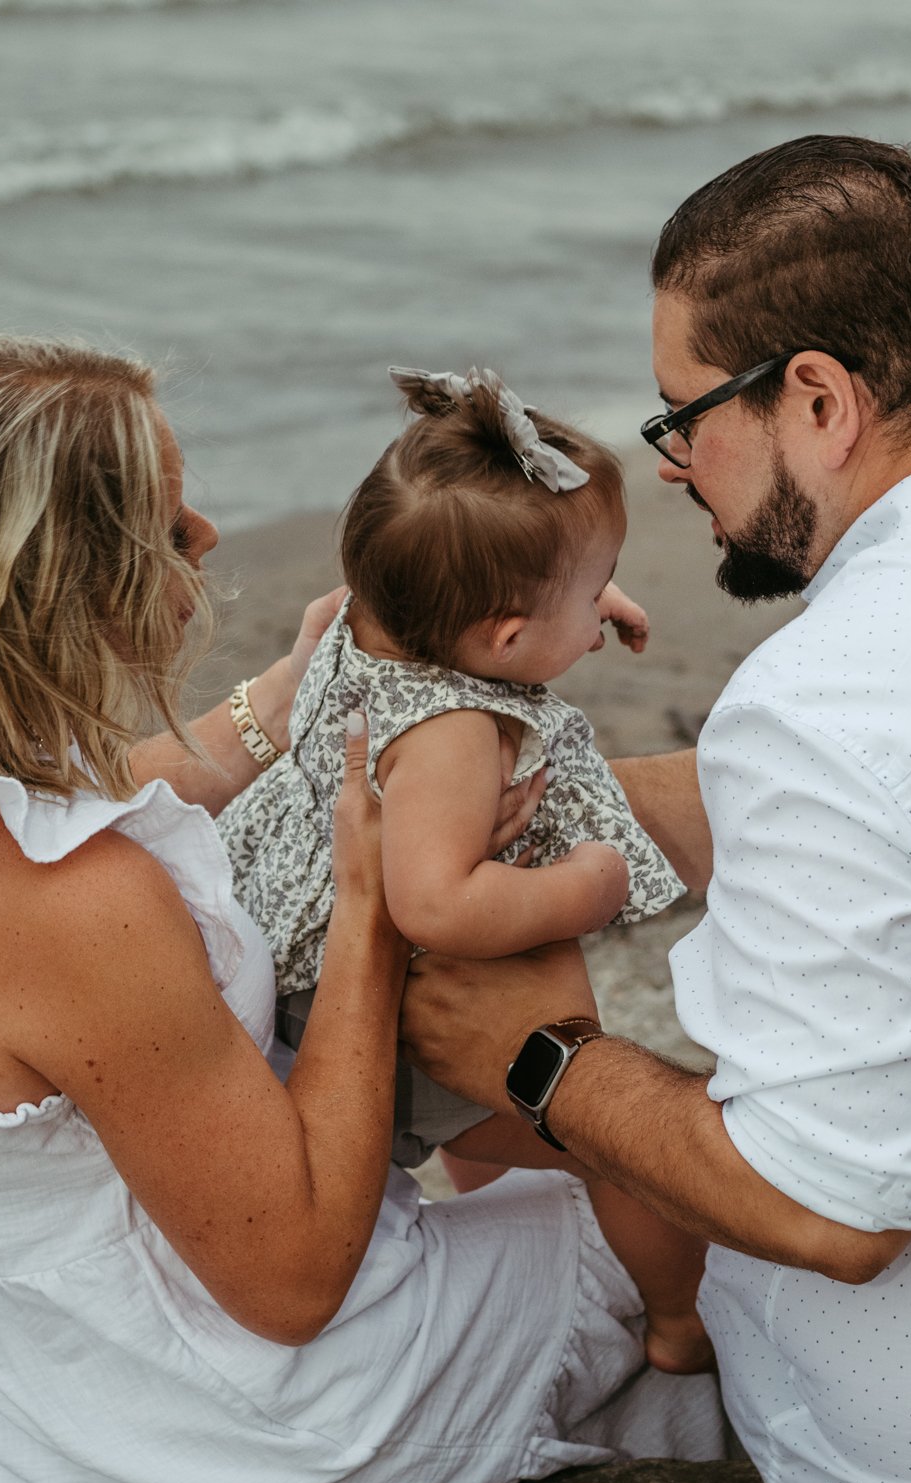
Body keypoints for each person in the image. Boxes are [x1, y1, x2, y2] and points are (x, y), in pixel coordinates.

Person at [0, 336, 727, 1483]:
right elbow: (296, 1280)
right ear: (55, 580)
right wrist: (369, 912)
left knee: (541, 1104)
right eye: (166, 531)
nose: (207, 539)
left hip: (34, 1380)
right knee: (676, 1198)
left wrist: (285, 696)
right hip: (233, 1424)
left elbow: (105, 784)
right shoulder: (75, 905)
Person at [400, 135, 911, 1483]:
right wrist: (557, 806)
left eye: (685, 414)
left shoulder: (835, 696)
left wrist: (544, 1058)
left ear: (818, 398)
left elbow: (840, 1207)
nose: (676, 463)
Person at [216, 363, 711, 1375]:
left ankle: (536, 1244)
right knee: (618, 1147)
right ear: (505, 635)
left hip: (292, 943)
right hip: (380, 1012)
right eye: (588, 596)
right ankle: (676, 1322)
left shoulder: (375, 617)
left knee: (488, 1131)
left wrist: (575, 590)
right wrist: (589, 885)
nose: (601, 613)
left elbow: (442, 570)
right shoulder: (451, 735)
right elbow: (435, 904)